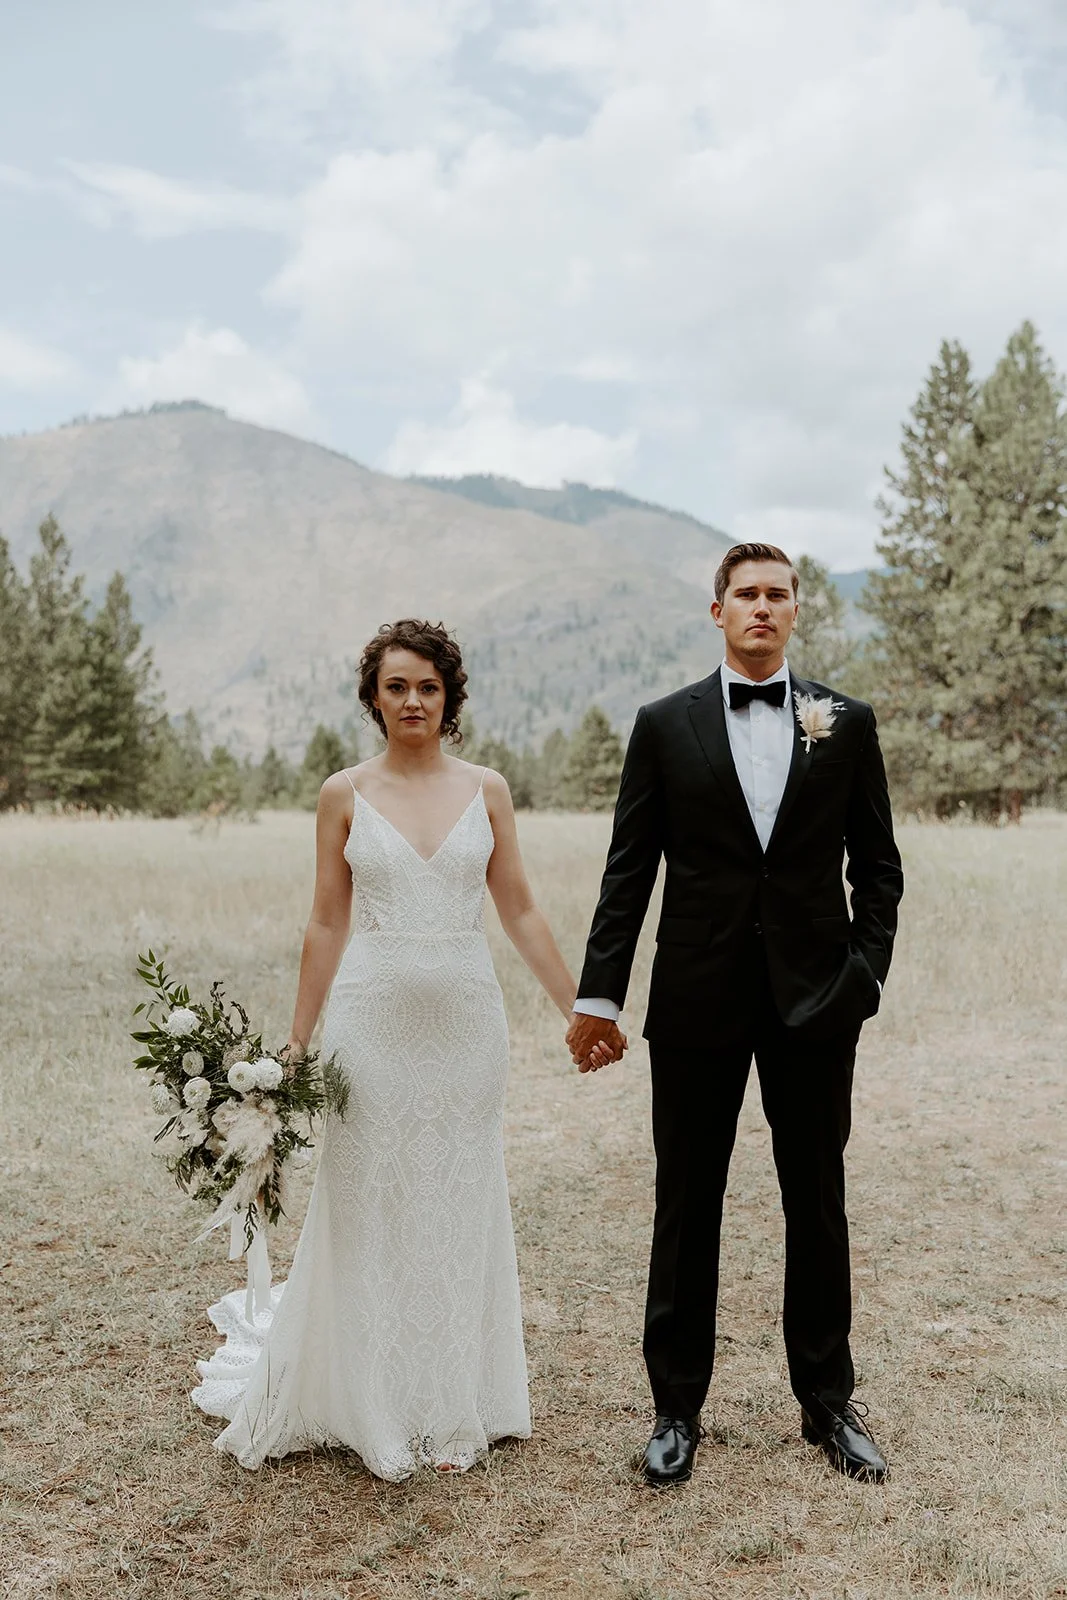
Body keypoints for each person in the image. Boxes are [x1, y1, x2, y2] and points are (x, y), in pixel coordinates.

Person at [193, 618, 604, 1480]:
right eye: (395, 686)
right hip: (368, 1029)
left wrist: (580, 1007)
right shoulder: (343, 792)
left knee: (456, 1195)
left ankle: (458, 1392)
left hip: (466, 1030)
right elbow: (326, 918)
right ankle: (369, 1398)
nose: (412, 700)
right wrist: (296, 1046)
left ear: (448, 696)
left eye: (427, 686)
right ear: (373, 699)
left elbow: (520, 909)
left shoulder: (486, 789)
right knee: (371, 1198)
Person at [566, 543, 904, 1487]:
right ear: (715, 611)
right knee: (687, 1203)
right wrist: (600, 994)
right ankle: (675, 1409)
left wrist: (862, 976)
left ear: (796, 611)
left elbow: (876, 868)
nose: (761, 608)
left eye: (777, 595)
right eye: (745, 595)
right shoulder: (662, 725)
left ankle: (828, 1404)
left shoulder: (844, 720)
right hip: (696, 1002)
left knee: (817, 1200)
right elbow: (628, 871)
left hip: (814, 1005)